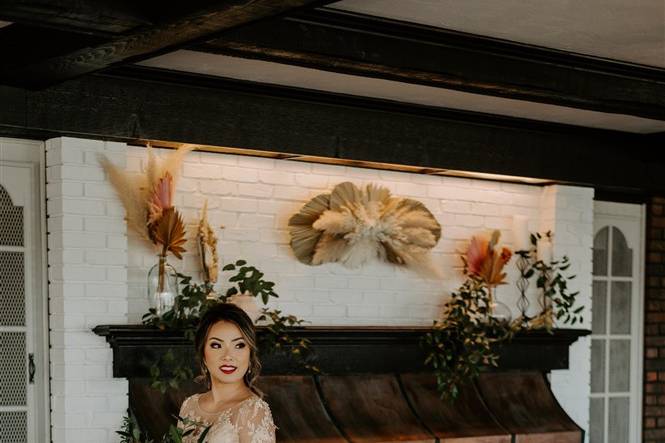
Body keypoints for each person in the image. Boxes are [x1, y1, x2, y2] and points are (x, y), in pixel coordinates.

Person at [178, 303, 276, 442]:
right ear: (203, 354)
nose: (228, 356)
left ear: (250, 354)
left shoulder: (253, 411)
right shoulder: (189, 405)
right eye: (216, 345)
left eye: (239, 345)